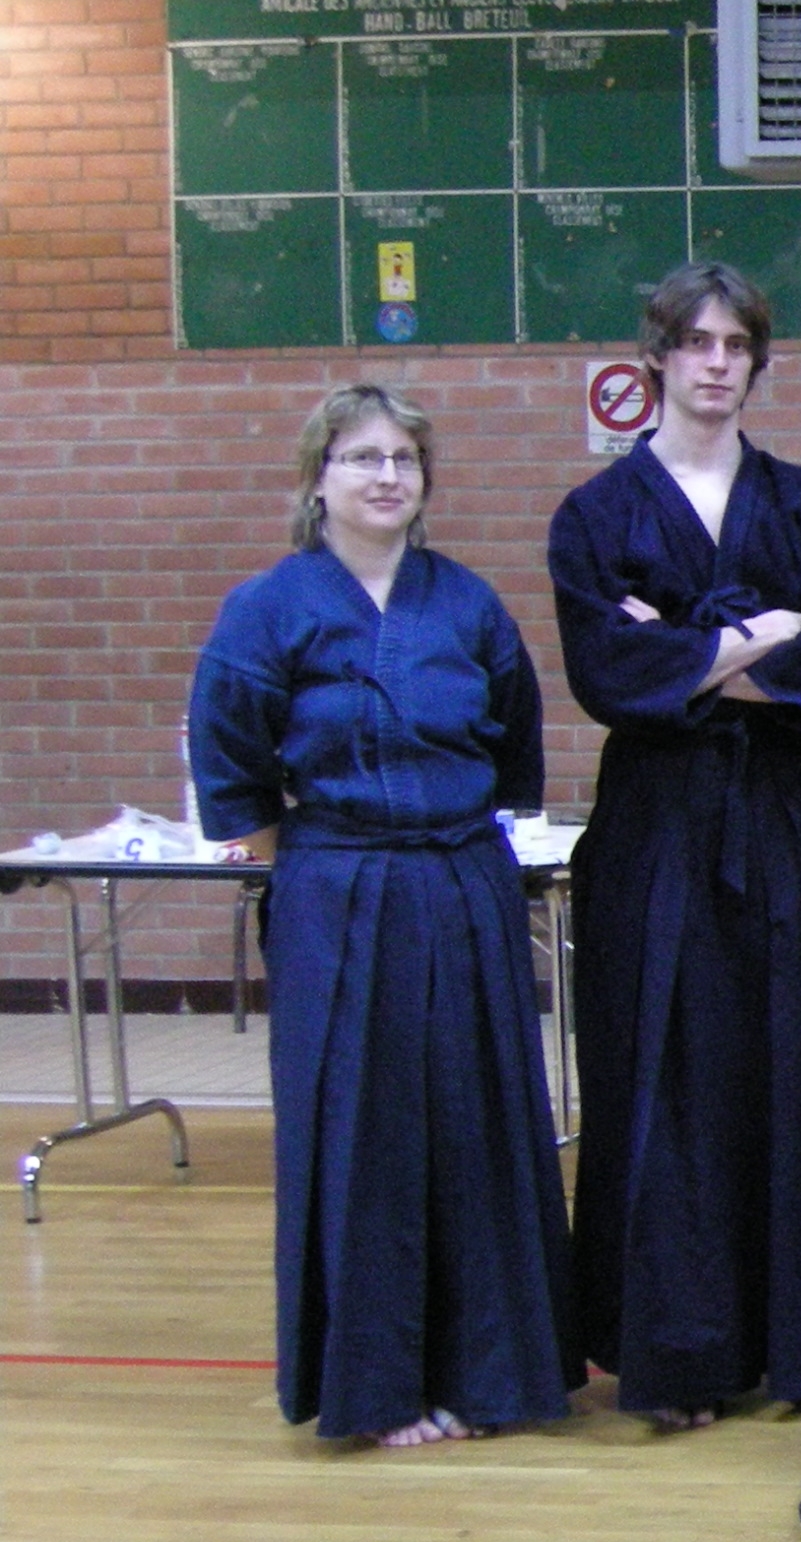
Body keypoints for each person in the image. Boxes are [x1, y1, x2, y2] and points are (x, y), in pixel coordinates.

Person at [186, 383, 578, 1446]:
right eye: (363, 457)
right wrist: (323, 865)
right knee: (362, 1130)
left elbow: (514, 749)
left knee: (477, 1124)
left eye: (404, 459)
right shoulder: (268, 608)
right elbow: (231, 769)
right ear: (318, 478)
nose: (386, 476)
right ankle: (380, 1387)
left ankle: (488, 1379)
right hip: (336, 889)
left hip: (462, 881)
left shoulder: (467, 604)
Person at [547, 260, 801, 1430]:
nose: (715, 363)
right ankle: (678, 1354)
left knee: (797, 1064)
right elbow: (608, 673)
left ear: (756, 363)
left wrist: (688, 652)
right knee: (666, 1077)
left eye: (735, 345)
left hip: (779, 815)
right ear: (656, 358)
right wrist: (757, 636)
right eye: (694, 342)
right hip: (654, 825)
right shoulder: (595, 516)